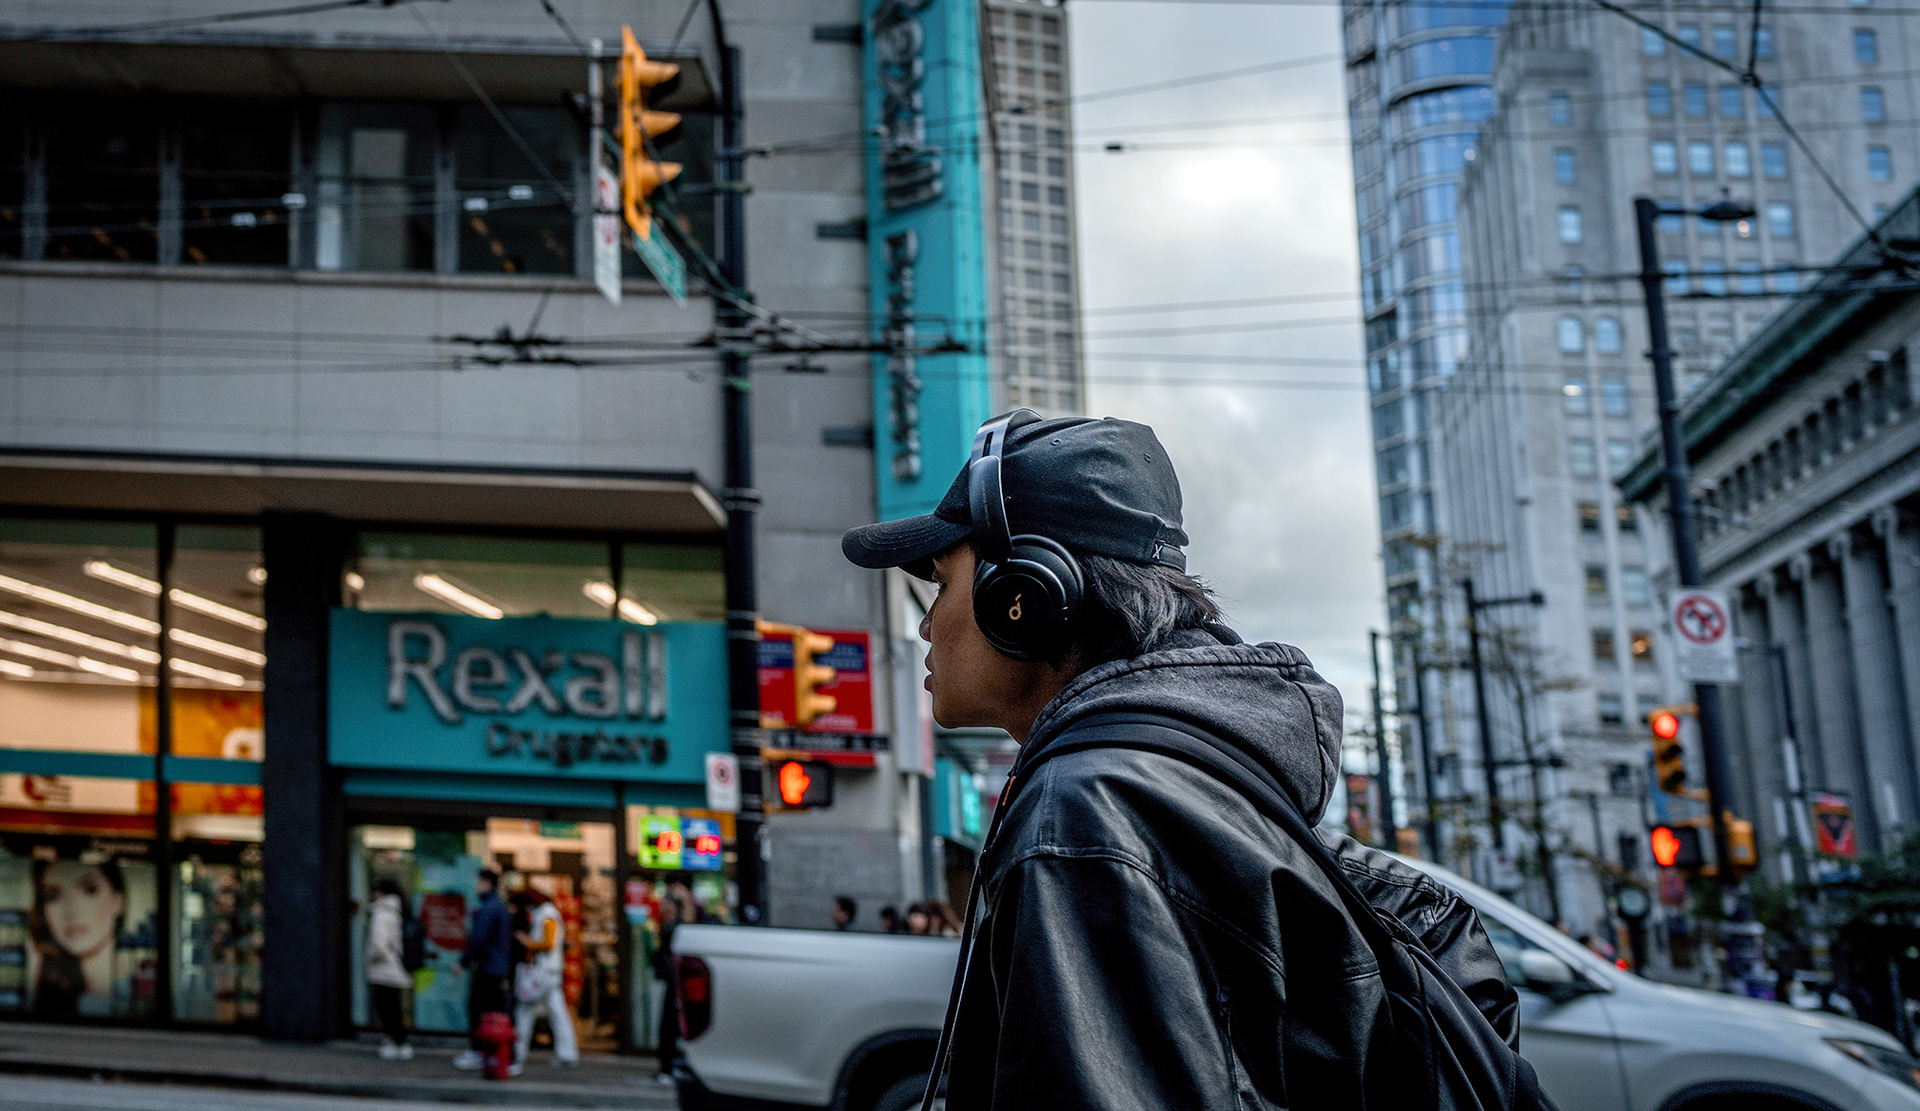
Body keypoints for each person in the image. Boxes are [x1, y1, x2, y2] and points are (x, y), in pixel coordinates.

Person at [841, 411, 1520, 1108]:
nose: (926, 623)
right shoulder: (1187, 785)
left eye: (941, 583)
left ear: (1025, 599)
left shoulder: (1084, 815)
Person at [28, 857, 129, 1018]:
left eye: (89, 890)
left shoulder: (132, 983)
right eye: (53, 896)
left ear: (117, 900)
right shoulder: (45, 982)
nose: (71, 911)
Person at [511, 888, 579, 1073]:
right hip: (550, 971)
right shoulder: (548, 913)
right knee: (557, 1013)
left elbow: (549, 943)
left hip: (542, 971)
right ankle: (568, 1053)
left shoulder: (547, 915)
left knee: (525, 1010)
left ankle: (517, 1054)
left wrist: (529, 942)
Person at [452, 869, 513, 1071]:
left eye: (478, 882)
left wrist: (463, 961)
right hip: (498, 966)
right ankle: (501, 1055)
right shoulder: (499, 906)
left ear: (487, 883)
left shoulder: (488, 908)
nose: (476, 887)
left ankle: (478, 1051)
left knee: (477, 1009)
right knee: (497, 1012)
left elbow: (479, 939)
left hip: (487, 966)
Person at [365, 878, 413, 1060]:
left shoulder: (382, 912)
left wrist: (374, 958)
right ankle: (399, 1043)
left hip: (384, 969)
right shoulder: (396, 911)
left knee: (387, 1009)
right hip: (395, 967)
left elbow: (378, 943)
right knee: (394, 1008)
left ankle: (397, 1042)